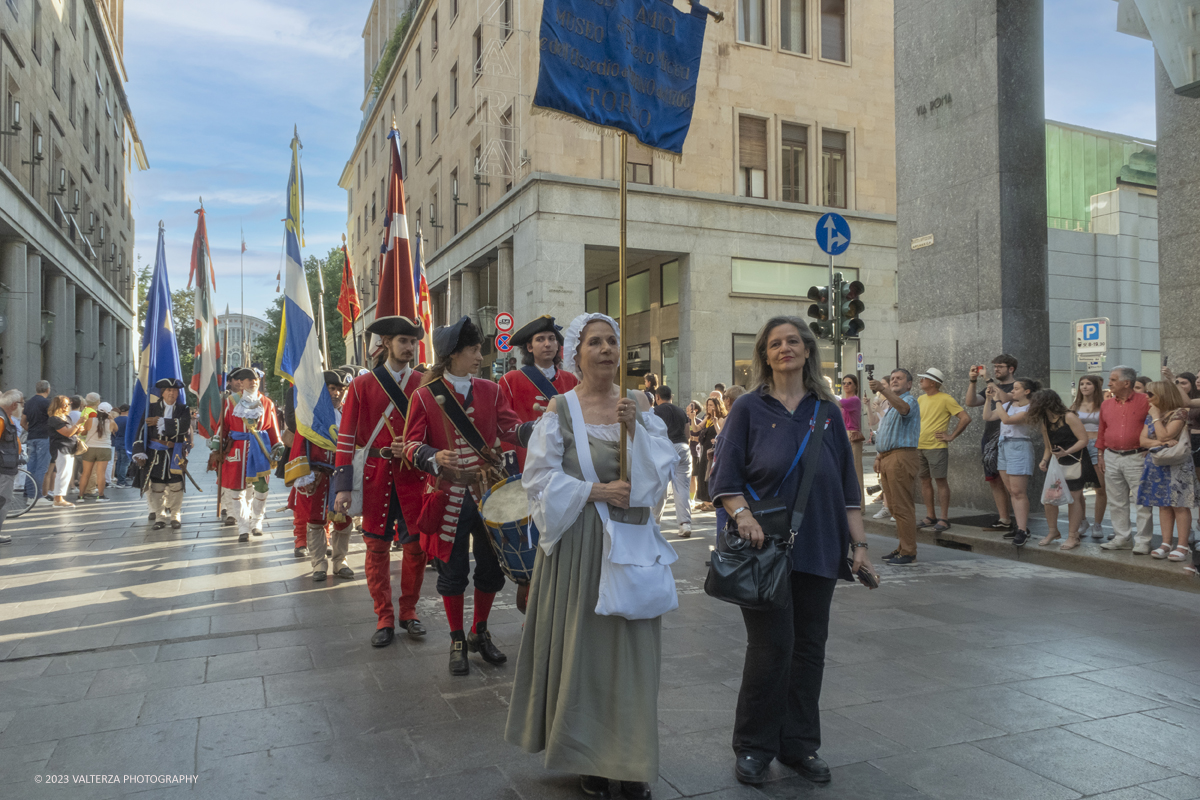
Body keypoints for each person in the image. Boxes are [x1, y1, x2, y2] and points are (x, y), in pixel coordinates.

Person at [506, 312, 677, 800]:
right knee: (585, 653)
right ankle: (590, 757)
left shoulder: (638, 404)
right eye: (594, 342)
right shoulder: (560, 409)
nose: (606, 349)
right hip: (581, 545)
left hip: (631, 543)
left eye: (612, 341)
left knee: (632, 656)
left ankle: (630, 760)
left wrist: (638, 431)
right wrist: (597, 490)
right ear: (575, 355)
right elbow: (536, 482)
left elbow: (657, 479)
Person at [708, 316, 873, 787]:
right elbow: (725, 480)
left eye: (794, 341)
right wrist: (743, 515)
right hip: (765, 547)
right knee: (772, 648)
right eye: (776, 343)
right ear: (764, 354)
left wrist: (859, 545)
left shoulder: (827, 409)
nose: (785, 348)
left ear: (807, 350)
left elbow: (847, 486)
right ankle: (755, 746)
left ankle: (800, 745)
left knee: (809, 649)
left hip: (821, 542)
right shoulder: (748, 409)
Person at [401, 315, 534, 676]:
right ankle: (457, 638)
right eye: (474, 350)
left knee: (491, 571)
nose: (480, 356)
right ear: (454, 354)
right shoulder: (425, 396)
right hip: (448, 496)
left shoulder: (491, 390)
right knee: (453, 571)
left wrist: (543, 426)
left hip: (487, 493)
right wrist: (431, 456)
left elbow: (509, 428)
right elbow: (411, 444)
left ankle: (479, 630)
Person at [332, 317, 431, 647]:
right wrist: (342, 486)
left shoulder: (424, 382)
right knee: (376, 548)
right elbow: (346, 438)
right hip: (375, 475)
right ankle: (384, 616)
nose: (409, 347)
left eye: (413, 342)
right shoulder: (362, 386)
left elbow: (435, 431)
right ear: (386, 342)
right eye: (403, 341)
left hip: (414, 477)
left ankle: (409, 611)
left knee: (416, 549)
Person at [286, 370, 355, 581]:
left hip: (342, 476)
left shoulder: (348, 415)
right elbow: (299, 445)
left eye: (341, 390)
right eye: (332, 389)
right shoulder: (310, 417)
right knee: (315, 521)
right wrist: (303, 475)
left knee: (343, 520)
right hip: (317, 477)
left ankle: (340, 561)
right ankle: (318, 564)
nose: (337, 394)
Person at [497, 315, 579, 472]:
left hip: (566, 458)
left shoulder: (572, 381)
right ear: (529, 347)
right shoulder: (510, 380)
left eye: (552, 338)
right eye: (540, 339)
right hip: (527, 459)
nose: (547, 344)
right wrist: (509, 458)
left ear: (558, 345)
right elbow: (503, 425)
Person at [218, 367, 283, 542]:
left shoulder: (267, 402)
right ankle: (243, 527)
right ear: (241, 383)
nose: (253, 381)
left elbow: (272, 427)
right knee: (237, 490)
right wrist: (217, 444)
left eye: (255, 378)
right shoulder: (231, 402)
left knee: (261, 488)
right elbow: (223, 426)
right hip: (237, 450)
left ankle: (257, 522)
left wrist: (277, 444)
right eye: (248, 379)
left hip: (260, 448)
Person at [1097, 366, 1154, 554]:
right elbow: (1102, 430)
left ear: (1126, 383)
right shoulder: (1106, 404)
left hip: (1137, 456)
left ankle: (1143, 541)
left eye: (1113, 380)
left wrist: (1151, 447)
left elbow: (1155, 423)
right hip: (1111, 455)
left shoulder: (1146, 401)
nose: (1109, 383)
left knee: (1142, 500)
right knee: (1116, 500)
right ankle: (1122, 537)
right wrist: (1100, 454)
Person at [1030, 389, 1096, 549]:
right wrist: (1044, 460)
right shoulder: (1046, 421)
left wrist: (1067, 451)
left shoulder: (1069, 416)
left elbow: (1083, 440)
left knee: (1074, 497)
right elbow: (1048, 446)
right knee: (1049, 498)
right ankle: (1053, 531)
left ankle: (1073, 536)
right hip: (1057, 462)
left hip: (1076, 460)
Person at [869, 369, 921, 565]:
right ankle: (902, 547)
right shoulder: (891, 406)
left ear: (909, 384)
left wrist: (883, 389)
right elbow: (885, 434)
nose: (894, 381)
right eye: (892, 379)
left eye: (899, 378)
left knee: (902, 506)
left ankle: (909, 552)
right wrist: (879, 456)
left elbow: (904, 409)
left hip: (901, 457)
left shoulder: (910, 401)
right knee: (895, 507)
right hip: (888, 457)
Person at [1138, 381, 1195, 562]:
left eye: (1150, 394)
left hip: (1177, 464)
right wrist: (1161, 443)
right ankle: (1166, 543)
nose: (1147, 397)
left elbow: (1164, 434)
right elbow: (1143, 441)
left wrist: (1155, 417)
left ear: (1162, 395)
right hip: (1157, 462)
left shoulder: (1180, 412)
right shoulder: (1151, 414)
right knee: (1163, 504)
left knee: (1179, 504)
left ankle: (1183, 546)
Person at [983, 377, 1039, 546]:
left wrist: (998, 401)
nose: (1012, 391)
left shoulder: (1030, 408)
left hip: (1019, 446)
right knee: (1011, 490)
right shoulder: (1008, 405)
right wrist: (988, 400)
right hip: (1004, 446)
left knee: (1018, 491)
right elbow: (988, 416)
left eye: (1016, 389)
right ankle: (1019, 526)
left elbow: (1007, 420)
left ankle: (1022, 529)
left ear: (1026, 391)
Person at [964, 356, 1018, 531]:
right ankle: (1004, 519)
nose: (996, 370)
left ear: (1011, 369)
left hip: (1009, 438)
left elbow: (1004, 398)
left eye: (1000, 367)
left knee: (1012, 484)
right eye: (994, 367)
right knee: (994, 481)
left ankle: (1020, 520)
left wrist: (988, 379)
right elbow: (971, 402)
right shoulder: (991, 387)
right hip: (990, 438)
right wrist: (973, 380)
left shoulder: (1018, 387)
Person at [130, 379, 193, 529]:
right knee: (157, 486)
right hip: (155, 454)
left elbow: (183, 426)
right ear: (162, 393)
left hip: (175, 452)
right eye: (168, 390)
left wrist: (161, 421)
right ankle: (160, 517)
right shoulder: (150, 408)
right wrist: (139, 452)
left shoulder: (183, 409)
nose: (172, 393)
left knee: (176, 485)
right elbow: (141, 430)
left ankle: (175, 516)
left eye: (175, 391)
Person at [914, 368, 971, 532]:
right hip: (920, 446)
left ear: (933, 382)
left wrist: (951, 436)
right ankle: (930, 516)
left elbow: (965, 418)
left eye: (923, 378)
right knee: (924, 480)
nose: (920, 381)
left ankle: (944, 518)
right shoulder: (920, 399)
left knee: (940, 481)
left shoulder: (946, 399)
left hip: (936, 446)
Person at [1070, 376, 1108, 540]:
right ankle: (1083, 520)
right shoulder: (1074, 405)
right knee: (1077, 489)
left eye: (1088, 384)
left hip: (1097, 445)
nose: (1084, 387)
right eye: (1082, 384)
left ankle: (1098, 524)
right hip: (1079, 446)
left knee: (1100, 487)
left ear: (1096, 387)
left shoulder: (1104, 405)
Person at [653, 385, 693, 536]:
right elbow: (687, 434)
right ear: (672, 396)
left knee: (660, 487)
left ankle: (654, 523)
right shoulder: (681, 411)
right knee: (682, 487)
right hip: (683, 447)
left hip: (665, 447)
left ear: (657, 397)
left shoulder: (655, 411)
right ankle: (685, 524)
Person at [46, 395, 81, 508]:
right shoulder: (54, 419)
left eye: (69, 404)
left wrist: (77, 430)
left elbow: (71, 432)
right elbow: (67, 433)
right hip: (61, 447)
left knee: (67, 472)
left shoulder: (67, 418)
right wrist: (78, 423)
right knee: (63, 472)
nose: (68, 406)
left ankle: (60, 497)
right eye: (66, 404)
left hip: (69, 447)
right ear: (60, 406)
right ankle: (58, 498)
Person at [78, 402, 116, 503]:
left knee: (85, 473)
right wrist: (111, 418)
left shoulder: (90, 420)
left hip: (90, 448)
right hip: (104, 449)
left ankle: (80, 496)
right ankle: (101, 496)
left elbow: (84, 432)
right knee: (101, 473)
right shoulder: (111, 422)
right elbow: (116, 430)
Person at [694, 396, 726, 512]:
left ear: (717, 406)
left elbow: (721, 434)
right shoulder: (707, 419)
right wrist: (693, 418)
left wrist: (716, 423)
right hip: (705, 449)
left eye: (711, 405)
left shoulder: (721, 419)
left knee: (710, 474)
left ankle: (712, 501)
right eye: (707, 405)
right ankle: (705, 500)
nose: (709, 407)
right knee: (702, 473)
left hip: (714, 450)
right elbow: (696, 428)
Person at [0, 390, 23, 545]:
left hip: (6, 465)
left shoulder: (5, 418)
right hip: (3, 467)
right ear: (14, 405)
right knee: (2, 500)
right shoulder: (2, 419)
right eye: (22, 403)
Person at [21, 380, 51, 500]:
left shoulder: (28, 403)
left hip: (31, 437)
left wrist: (31, 429)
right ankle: (38, 497)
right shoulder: (46, 403)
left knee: (31, 467)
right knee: (41, 468)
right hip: (43, 437)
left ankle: (30, 496)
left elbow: (23, 422)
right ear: (47, 390)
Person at [839, 375, 866, 501]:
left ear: (855, 385)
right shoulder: (846, 401)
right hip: (845, 434)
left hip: (853, 435)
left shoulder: (854, 400)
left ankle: (859, 505)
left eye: (849, 383)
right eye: (844, 383)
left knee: (855, 470)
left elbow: (835, 401)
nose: (846, 385)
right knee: (846, 470)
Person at [686, 400, 703, 502]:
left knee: (692, 477)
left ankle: (691, 499)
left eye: (690, 405)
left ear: (695, 410)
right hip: (684, 451)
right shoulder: (684, 420)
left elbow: (700, 438)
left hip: (694, 451)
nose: (688, 407)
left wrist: (691, 438)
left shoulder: (699, 422)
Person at [111, 405, 130, 488]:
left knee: (119, 461)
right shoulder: (129, 420)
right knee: (125, 463)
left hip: (117, 441)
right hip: (126, 442)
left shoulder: (115, 419)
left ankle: (119, 480)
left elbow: (113, 431)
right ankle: (122, 481)